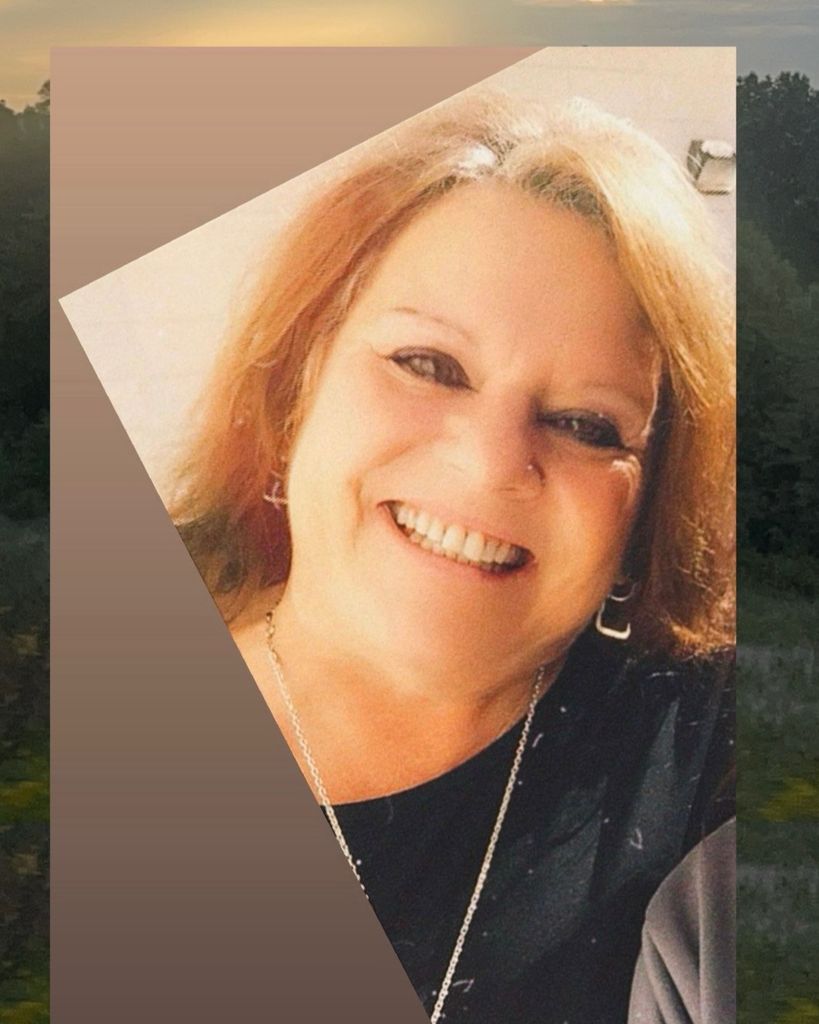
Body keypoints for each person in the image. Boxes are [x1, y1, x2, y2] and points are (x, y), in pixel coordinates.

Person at [171, 91, 735, 1024]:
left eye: (585, 424)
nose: (489, 462)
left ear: (648, 510)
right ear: (299, 378)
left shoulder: (711, 757)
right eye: (428, 365)